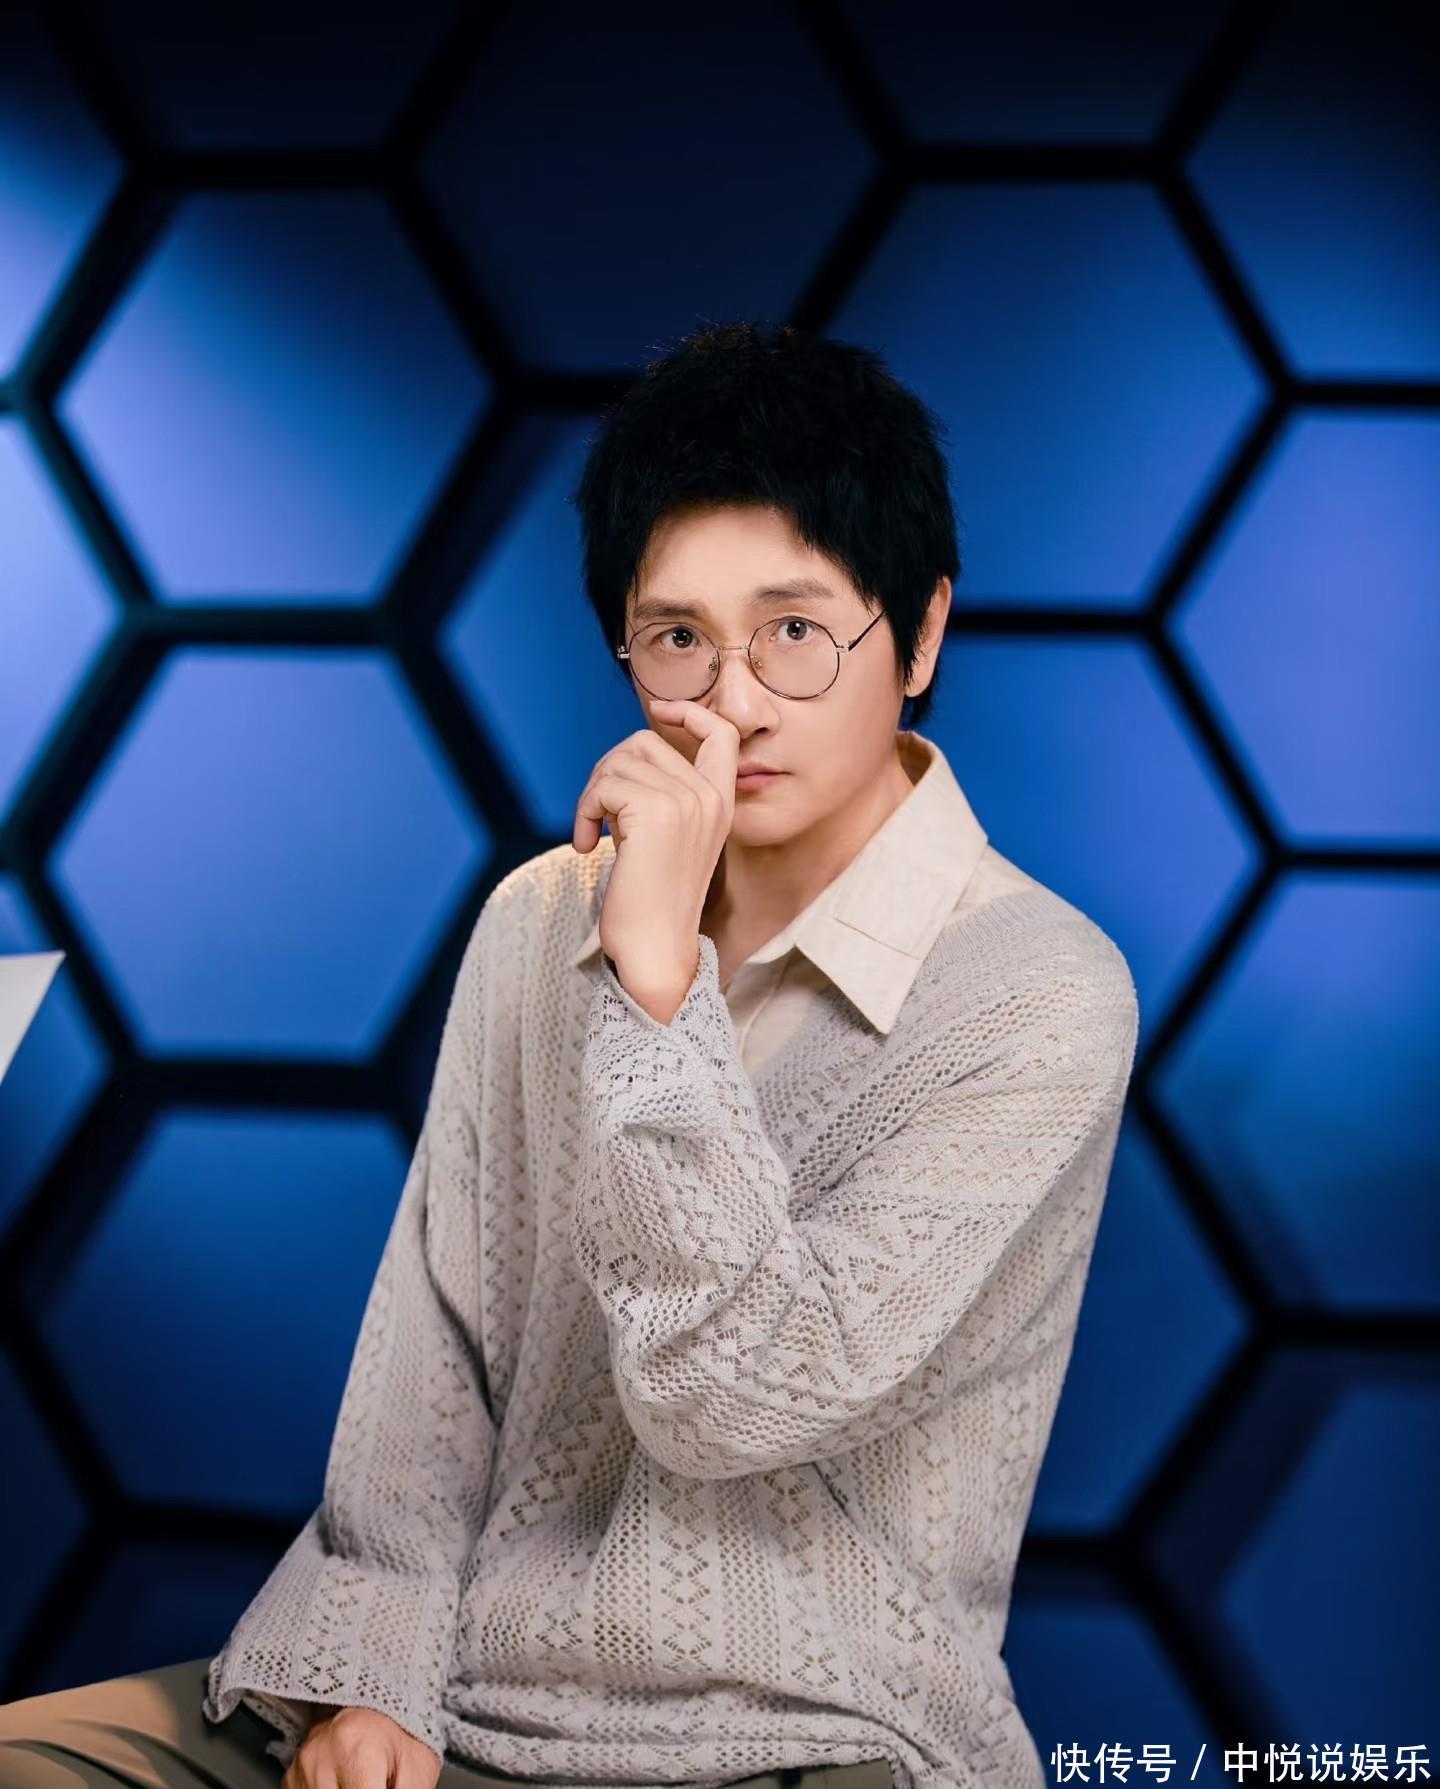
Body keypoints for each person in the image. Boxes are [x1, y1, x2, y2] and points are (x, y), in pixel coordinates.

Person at [0, 321, 1139, 1789]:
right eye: (678, 639)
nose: (732, 703)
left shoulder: (1040, 990)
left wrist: (657, 994)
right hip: (466, 1696)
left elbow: (734, 1394)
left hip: (813, 1735)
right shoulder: (544, 915)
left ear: (917, 636)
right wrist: (374, 1678)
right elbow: (439, 1351)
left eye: (796, 633)